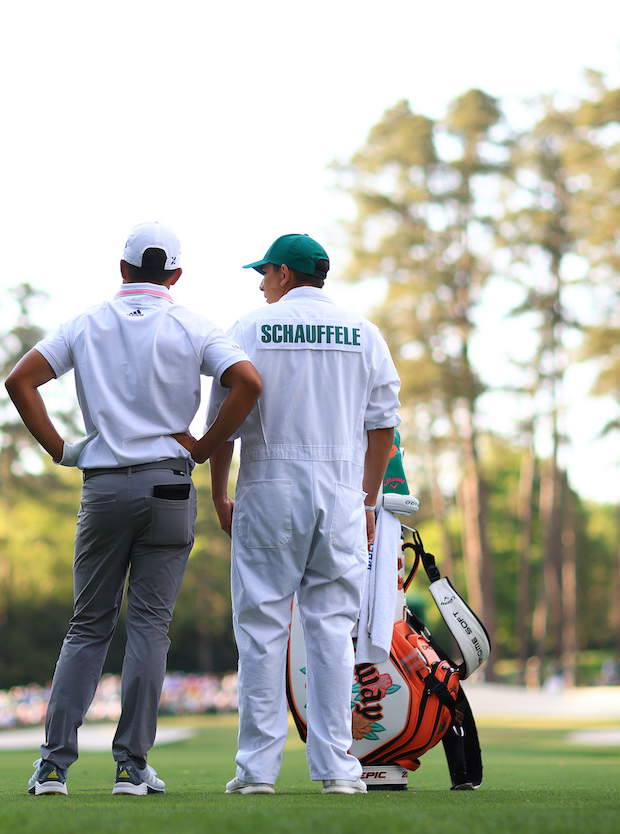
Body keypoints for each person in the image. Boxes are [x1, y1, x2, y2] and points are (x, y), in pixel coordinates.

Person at [5, 221, 261, 796]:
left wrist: (60, 449)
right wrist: (204, 444)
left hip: (104, 487)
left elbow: (21, 381)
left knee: (88, 626)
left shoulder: (86, 323)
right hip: (170, 486)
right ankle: (131, 767)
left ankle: (53, 767)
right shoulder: (193, 325)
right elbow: (246, 381)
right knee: (150, 626)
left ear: (122, 269)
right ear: (175, 274)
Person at [206, 233, 400, 796]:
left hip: (269, 486)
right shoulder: (365, 333)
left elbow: (223, 419)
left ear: (286, 275)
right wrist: (366, 502)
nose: (262, 283)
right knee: (333, 631)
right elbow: (382, 425)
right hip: (340, 492)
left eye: (265, 273)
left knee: (262, 631)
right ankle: (338, 768)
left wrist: (220, 493)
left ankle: (256, 772)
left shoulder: (246, 329)